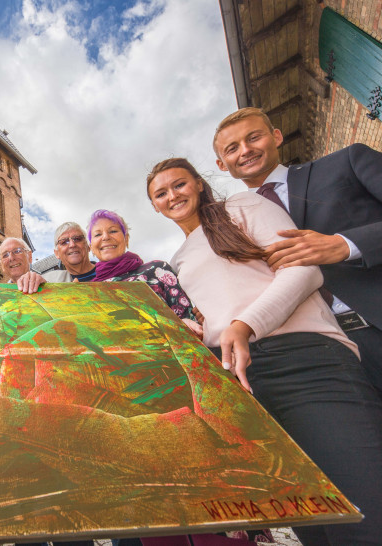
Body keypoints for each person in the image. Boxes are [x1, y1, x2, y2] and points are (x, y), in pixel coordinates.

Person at [146, 157, 382, 545]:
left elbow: (305, 269)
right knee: (316, 520)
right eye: (161, 193)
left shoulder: (245, 206)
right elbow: (221, 315)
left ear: (199, 185)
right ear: (154, 206)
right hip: (244, 383)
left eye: (179, 184)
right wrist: (198, 331)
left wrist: (245, 324)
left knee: (362, 510)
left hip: (305, 360)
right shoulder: (178, 261)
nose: (173, 195)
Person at [213, 107, 382, 398]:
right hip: (328, 360)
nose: (245, 150)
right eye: (232, 148)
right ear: (222, 164)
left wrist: (344, 245)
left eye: (253, 137)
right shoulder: (233, 229)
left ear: (276, 136)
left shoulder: (348, 161)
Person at [87, 210, 198, 331]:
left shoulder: (157, 270)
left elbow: (189, 321)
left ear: (126, 238)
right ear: (91, 247)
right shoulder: (88, 292)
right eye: (98, 234)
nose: (106, 237)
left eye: (113, 231)